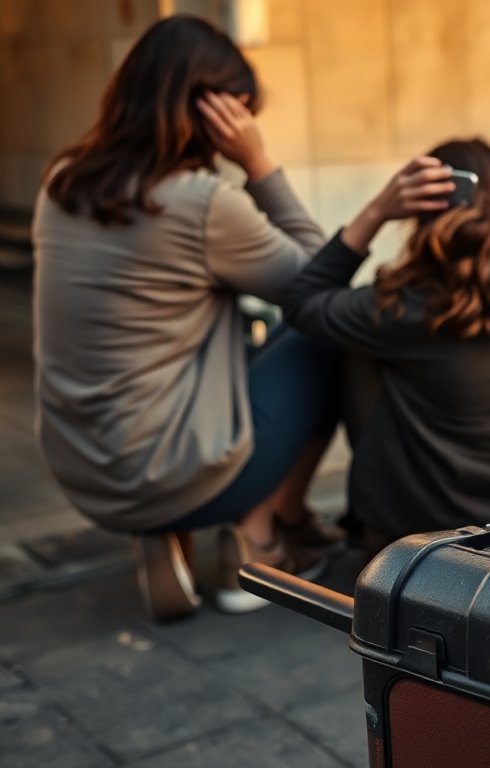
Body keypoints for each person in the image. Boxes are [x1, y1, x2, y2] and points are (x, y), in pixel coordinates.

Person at [31, 16, 339, 621]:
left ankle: (163, 534)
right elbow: (319, 283)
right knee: (322, 337)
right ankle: (259, 540)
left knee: (248, 345)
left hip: (88, 473)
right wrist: (259, 166)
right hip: (175, 472)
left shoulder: (62, 181)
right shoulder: (200, 201)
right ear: (211, 114)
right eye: (241, 115)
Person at [282, 140, 490, 550]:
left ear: (423, 214)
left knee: (343, 341)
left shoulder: (405, 308)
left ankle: (285, 520)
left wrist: (376, 211)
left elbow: (303, 301)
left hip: (427, 530)